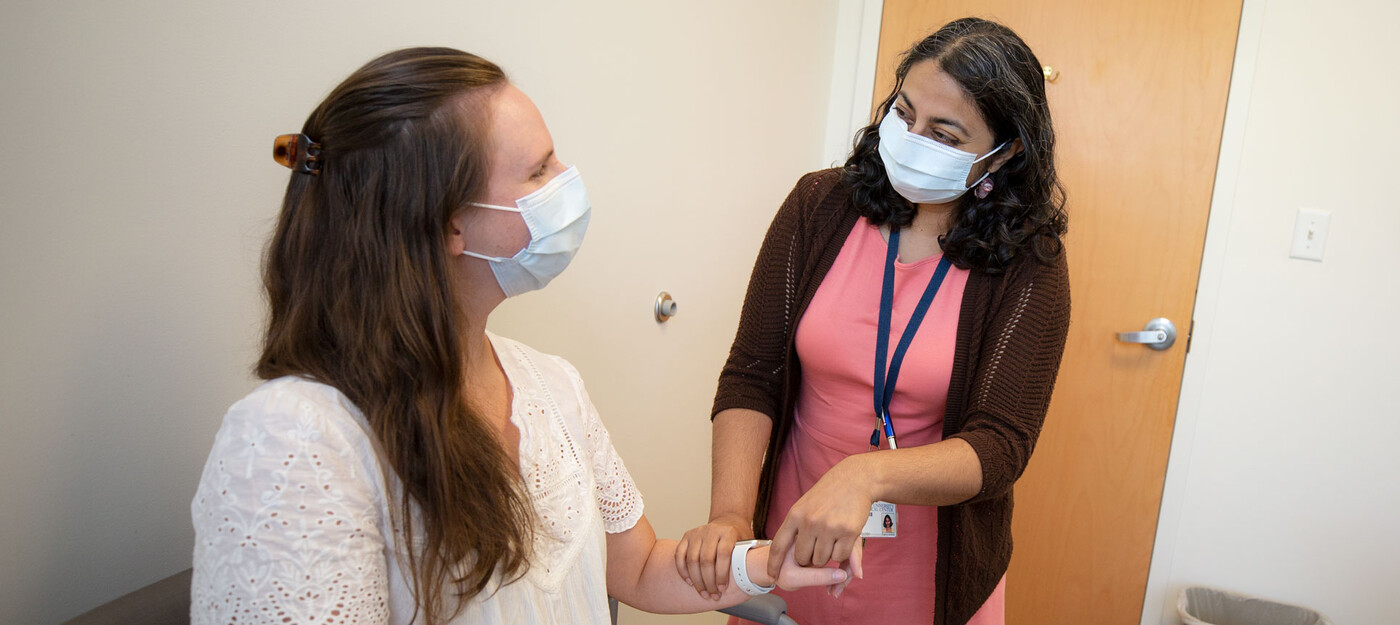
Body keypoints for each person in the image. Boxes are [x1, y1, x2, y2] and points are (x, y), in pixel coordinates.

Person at [189, 47, 845, 625]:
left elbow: (639, 567)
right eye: (537, 171)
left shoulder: (548, 384)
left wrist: (765, 563)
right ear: (448, 225)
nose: (568, 181)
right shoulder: (295, 439)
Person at [676, 18, 1071, 625]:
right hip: (793, 543)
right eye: (904, 112)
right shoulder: (819, 206)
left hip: (929, 571)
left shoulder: (1028, 264)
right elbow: (752, 373)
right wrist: (731, 514)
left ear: (1006, 151)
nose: (912, 139)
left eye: (944, 134)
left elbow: (999, 446)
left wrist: (867, 474)